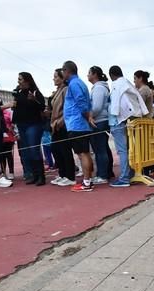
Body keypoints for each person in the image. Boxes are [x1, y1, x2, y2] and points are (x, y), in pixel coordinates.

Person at [108, 65, 149, 187]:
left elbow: (115, 104)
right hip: (135, 116)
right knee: (132, 148)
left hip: (122, 119)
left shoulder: (116, 84)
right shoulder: (128, 83)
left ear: (111, 75)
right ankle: (131, 174)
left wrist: (115, 117)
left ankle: (124, 178)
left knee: (122, 150)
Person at [62, 60, 96, 192]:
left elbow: (81, 102)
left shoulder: (74, 84)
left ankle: (87, 182)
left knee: (83, 154)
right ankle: (88, 180)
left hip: (77, 124)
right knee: (84, 153)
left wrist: (88, 116)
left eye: (63, 71)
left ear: (67, 71)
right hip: (79, 123)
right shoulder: (80, 83)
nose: (62, 74)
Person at [11, 72, 46, 185]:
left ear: (27, 80)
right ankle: (33, 175)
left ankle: (41, 176)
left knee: (34, 149)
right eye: (18, 79)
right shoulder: (18, 93)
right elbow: (16, 109)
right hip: (21, 125)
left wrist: (34, 99)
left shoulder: (35, 92)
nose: (18, 81)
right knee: (26, 150)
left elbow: (42, 106)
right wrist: (13, 122)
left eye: (20, 79)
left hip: (33, 124)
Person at [48, 68, 76, 187]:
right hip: (54, 124)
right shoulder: (57, 91)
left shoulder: (65, 90)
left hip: (62, 124)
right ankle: (62, 174)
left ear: (61, 78)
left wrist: (60, 121)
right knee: (56, 150)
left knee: (65, 150)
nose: (53, 79)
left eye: (55, 76)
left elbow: (67, 108)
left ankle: (70, 176)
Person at [87, 66, 111, 185]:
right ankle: (107, 172)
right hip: (101, 120)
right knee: (103, 148)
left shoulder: (99, 88)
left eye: (89, 73)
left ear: (95, 74)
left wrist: (90, 116)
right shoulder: (100, 87)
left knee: (100, 150)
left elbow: (96, 107)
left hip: (99, 121)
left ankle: (102, 175)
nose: (87, 75)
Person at [1, 109, 17, 180]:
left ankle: (11, 172)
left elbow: (13, 122)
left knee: (9, 154)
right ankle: (3, 172)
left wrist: (11, 127)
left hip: (9, 135)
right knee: (2, 156)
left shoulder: (8, 112)